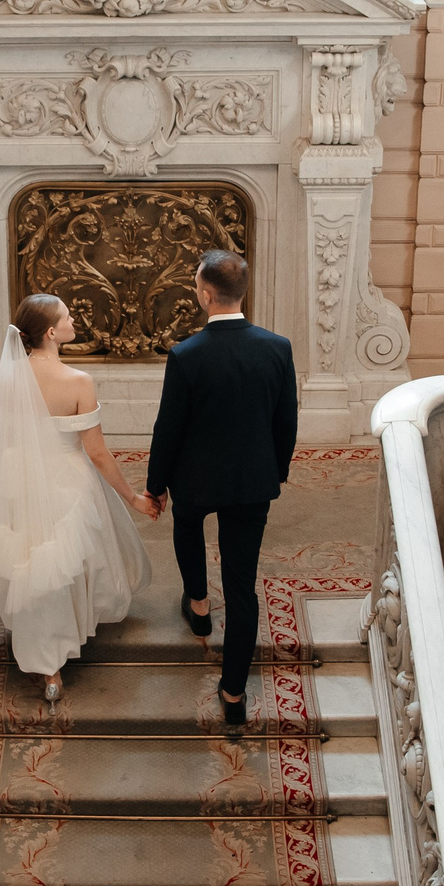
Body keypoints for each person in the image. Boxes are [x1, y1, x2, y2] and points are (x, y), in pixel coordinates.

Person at [0, 294, 154, 702]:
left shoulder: (10, 377)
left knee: (28, 560)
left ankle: (47, 665)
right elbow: (96, 453)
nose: (73, 319)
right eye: (67, 316)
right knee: (61, 565)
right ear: (50, 332)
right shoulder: (78, 381)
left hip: (17, 476)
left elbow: (5, 439)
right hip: (67, 478)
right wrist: (133, 497)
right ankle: (60, 645)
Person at [139, 250, 297, 731]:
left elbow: (169, 427)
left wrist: (156, 486)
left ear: (206, 295)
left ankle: (200, 608)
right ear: (241, 293)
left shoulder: (186, 354)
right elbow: (285, 419)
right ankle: (233, 695)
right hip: (252, 482)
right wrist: (276, 471)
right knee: (243, 587)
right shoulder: (278, 347)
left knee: (187, 528)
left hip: (195, 480)